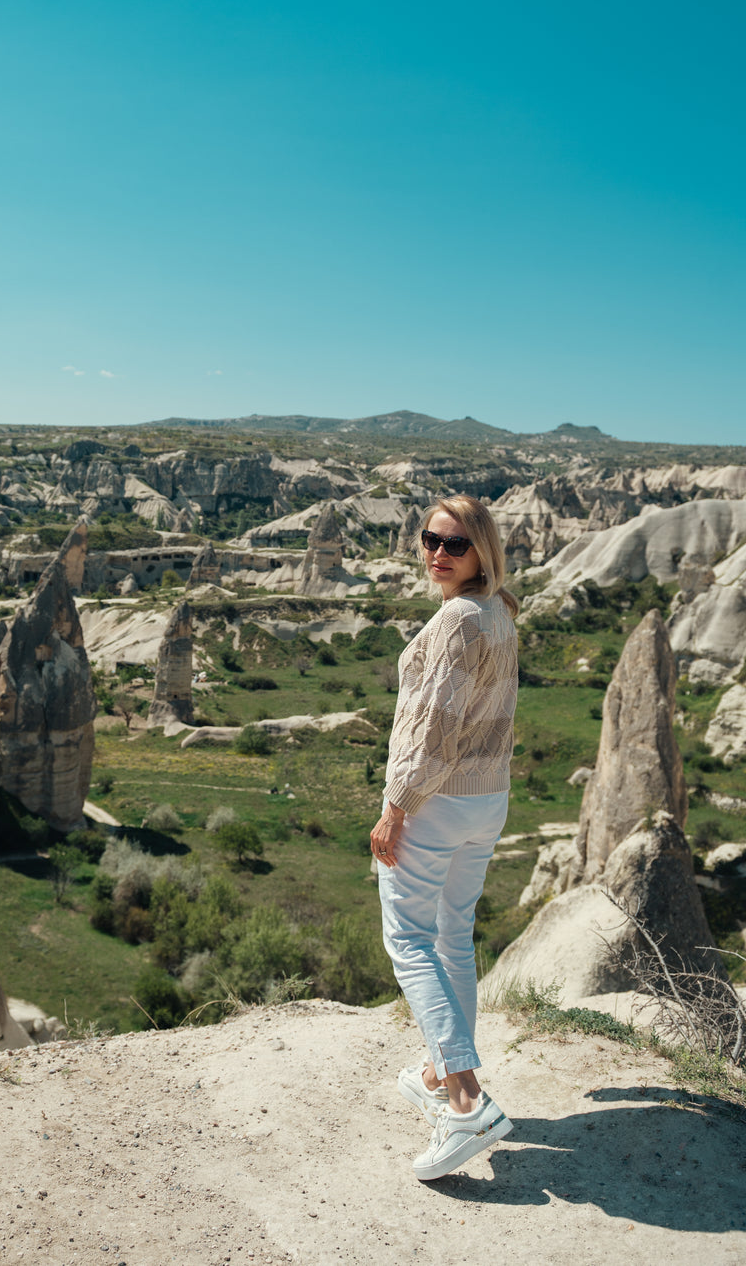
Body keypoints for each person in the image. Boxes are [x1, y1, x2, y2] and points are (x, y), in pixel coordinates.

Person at [370, 495, 519, 1181]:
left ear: (481, 551)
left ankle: (464, 1099)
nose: (437, 552)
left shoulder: (460, 618)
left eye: (454, 544)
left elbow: (436, 729)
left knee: (407, 939)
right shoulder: (499, 612)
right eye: (429, 538)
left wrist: (397, 806)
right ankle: (437, 1070)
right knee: (454, 935)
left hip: (438, 801)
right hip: (487, 800)